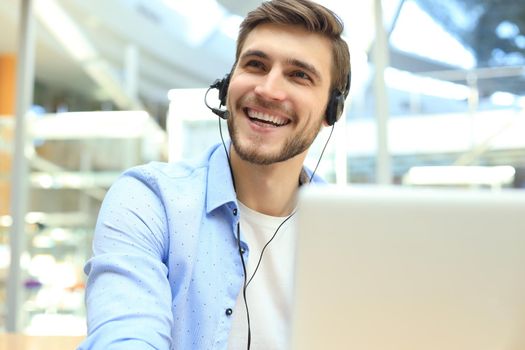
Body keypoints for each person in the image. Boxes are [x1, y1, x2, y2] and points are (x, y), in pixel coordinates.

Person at [78, 0, 350, 349]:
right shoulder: (150, 200)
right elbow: (124, 336)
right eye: (255, 65)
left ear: (332, 109)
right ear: (227, 85)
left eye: (299, 75)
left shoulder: (347, 234)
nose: (267, 90)